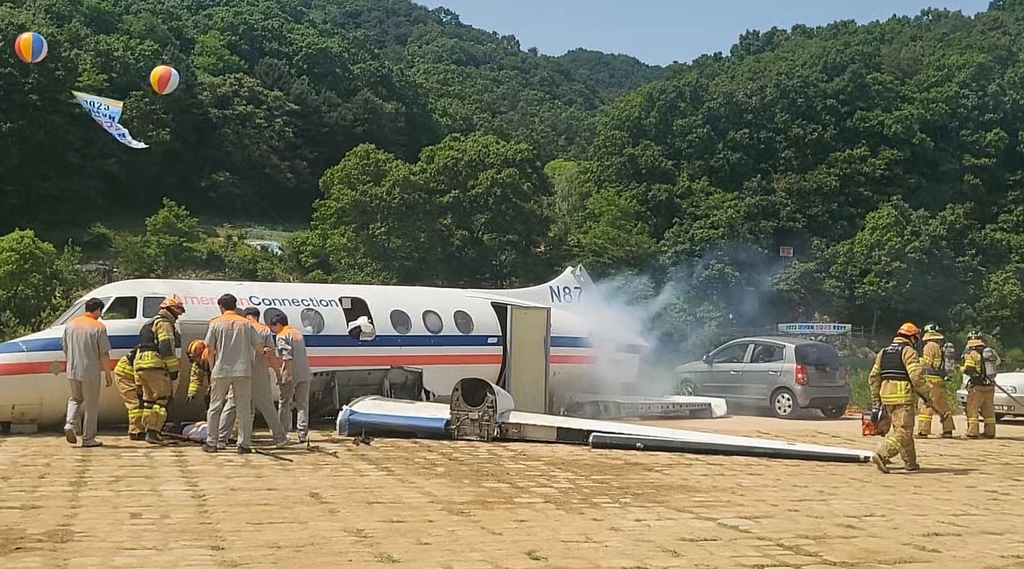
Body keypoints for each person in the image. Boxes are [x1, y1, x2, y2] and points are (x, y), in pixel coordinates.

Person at [218, 307, 289, 449]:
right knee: (267, 406)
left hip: (239, 371)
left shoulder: (238, 328)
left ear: (245, 316)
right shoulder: (264, 330)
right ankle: (280, 438)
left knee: (232, 404)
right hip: (259, 373)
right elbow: (271, 355)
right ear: (258, 316)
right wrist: (278, 372)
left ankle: (221, 439)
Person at [202, 294, 263, 454]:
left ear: (221, 307)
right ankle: (244, 444)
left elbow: (209, 350)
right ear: (235, 306)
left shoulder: (215, 323)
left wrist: (212, 368)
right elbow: (259, 347)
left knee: (215, 407)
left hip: (221, 370)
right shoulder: (247, 323)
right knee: (243, 408)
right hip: (243, 371)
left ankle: (212, 442)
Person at [869, 322, 928, 474]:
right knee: (904, 432)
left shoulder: (883, 352)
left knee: (901, 431)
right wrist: (927, 394)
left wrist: (876, 399)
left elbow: (874, 377)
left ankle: (911, 463)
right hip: (903, 398)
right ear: (912, 338)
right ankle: (883, 454)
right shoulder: (908, 351)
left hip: (886, 397)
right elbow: (916, 376)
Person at [60, 298, 113, 447]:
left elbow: (65, 348)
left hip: (72, 369)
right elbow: (104, 353)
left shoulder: (70, 325)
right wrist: (108, 374)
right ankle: (88, 438)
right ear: (97, 310)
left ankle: (70, 424)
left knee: (75, 398)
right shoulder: (99, 327)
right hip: (90, 371)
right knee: (91, 404)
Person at [134, 297, 186, 445]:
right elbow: (166, 347)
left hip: (141, 365)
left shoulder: (149, 323)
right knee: (163, 399)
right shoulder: (164, 323)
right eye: (179, 311)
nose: (179, 315)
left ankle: (147, 429)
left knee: (149, 400)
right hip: (155, 365)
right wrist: (173, 369)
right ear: (173, 309)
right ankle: (153, 432)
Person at [270, 313, 312, 444]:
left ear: (279, 325)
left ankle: (282, 432)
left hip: (291, 373)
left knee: (284, 403)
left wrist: (287, 373)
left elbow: (287, 356)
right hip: (305, 372)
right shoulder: (298, 333)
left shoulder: (281, 335)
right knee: (302, 403)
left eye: (273, 327)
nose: (272, 330)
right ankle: (302, 433)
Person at [915, 324, 956, 439]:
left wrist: (917, 360)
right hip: (941, 380)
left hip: (931, 380)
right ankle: (948, 430)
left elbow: (927, 363)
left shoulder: (929, 346)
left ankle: (923, 431)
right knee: (942, 406)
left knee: (925, 405)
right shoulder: (941, 345)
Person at [963, 333, 1001, 439]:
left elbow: (969, 369)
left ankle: (973, 432)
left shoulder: (971, 353)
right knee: (988, 409)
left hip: (977, 386)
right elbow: (997, 362)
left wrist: (961, 369)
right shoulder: (990, 351)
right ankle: (990, 432)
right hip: (990, 385)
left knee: (972, 409)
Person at [113, 345, 145, 440]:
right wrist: (139, 385)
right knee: (134, 403)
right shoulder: (146, 353)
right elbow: (138, 369)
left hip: (130, 370)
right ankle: (135, 432)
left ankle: (142, 427)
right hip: (124, 373)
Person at [185, 339, 212, 409]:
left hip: (228, 379)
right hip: (215, 381)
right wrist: (192, 393)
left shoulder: (212, 358)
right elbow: (195, 378)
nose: (192, 361)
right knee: (208, 398)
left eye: (193, 357)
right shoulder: (198, 364)